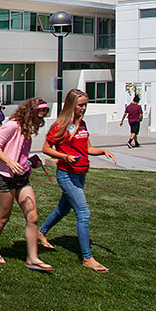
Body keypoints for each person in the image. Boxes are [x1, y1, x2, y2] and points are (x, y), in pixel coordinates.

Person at [38, 88, 117, 272]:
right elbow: (46, 148)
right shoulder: (60, 125)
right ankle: (87, 258)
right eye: (81, 105)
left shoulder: (82, 125)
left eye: (85, 105)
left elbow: (88, 148)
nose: (84, 108)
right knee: (83, 213)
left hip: (81, 173)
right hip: (67, 174)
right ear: (72, 105)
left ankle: (40, 232)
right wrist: (64, 156)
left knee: (62, 209)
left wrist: (103, 151)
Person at [0, 97, 53, 272]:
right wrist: (9, 162)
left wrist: (30, 162)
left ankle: (32, 258)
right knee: (3, 217)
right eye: (39, 116)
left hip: (22, 178)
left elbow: (19, 154)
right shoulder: (12, 125)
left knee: (33, 217)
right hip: (5, 178)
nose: (41, 120)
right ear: (30, 112)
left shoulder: (26, 128)